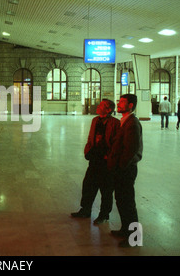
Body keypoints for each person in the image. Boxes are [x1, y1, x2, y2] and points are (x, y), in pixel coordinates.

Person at [71, 99, 120, 224]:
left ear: (108, 109)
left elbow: (116, 143)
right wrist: (87, 151)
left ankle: (104, 214)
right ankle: (85, 209)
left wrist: (108, 157)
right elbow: (90, 137)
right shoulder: (95, 120)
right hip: (94, 159)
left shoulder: (115, 123)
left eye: (102, 106)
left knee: (106, 189)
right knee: (88, 185)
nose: (98, 107)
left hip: (106, 162)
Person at [107, 94, 143, 247]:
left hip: (126, 170)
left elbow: (130, 150)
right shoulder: (125, 121)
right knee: (121, 201)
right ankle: (125, 229)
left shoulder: (132, 124)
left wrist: (119, 167)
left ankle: (134, 237)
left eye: (122, 102)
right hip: (121, 169)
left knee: (128, 203)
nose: (118, 104)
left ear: (130, 106)